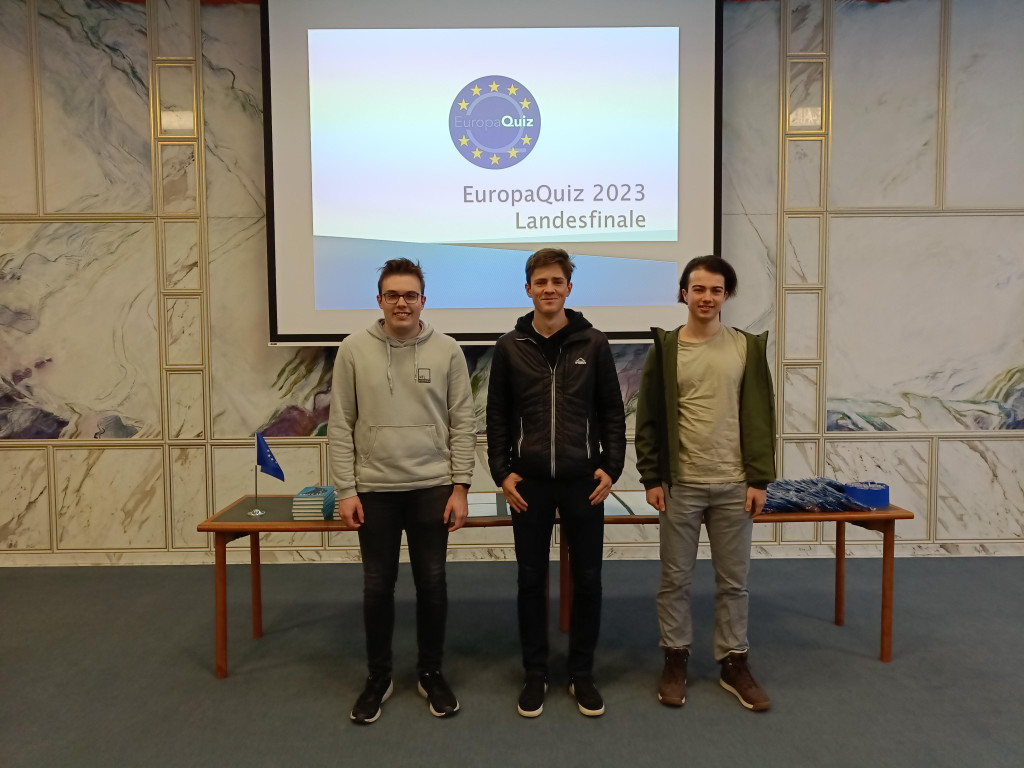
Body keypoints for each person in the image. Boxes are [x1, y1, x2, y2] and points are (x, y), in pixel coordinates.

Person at [327, 257, 476, 724]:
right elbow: (340, 424)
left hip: (433, 488)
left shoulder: (448, 350)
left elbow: (463, 421)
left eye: (410, 295)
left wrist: (461, 486)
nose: (402, 303)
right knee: (377, 586)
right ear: (379, 300)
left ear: (423, 301)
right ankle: (379, 677)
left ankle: (431, 673)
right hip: (374, 490)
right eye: (392, 295)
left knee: (432, 583)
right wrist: (346, 490)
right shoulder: (353, 350)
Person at [486, 247, 626, 718]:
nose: (549, 289)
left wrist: (612, 467)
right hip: (528, 484)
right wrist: (502, 471)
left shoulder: (594, 343)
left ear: (569, 288)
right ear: (528, 289)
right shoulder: (510, 346)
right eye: (541, 282)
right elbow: (497, 416)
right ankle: (536, 673)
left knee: (588, 579)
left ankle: (581, 673)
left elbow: (612, 411)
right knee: (530, 579)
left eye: (557, 282)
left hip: (584, 481)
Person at [635, 255, 776, 712]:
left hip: (735, 484)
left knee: (734, 581)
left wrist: (759, 478)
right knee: (674, 579)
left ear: (727, 295)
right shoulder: (666, 350)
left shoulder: (746, 348)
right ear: (684, 293)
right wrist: (651, 476)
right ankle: (675, 658)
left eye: (716, 290)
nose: (707, 298)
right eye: (698, 289)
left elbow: (761, 415)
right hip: (681, 485)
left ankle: (734, 662)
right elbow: (648, 419)